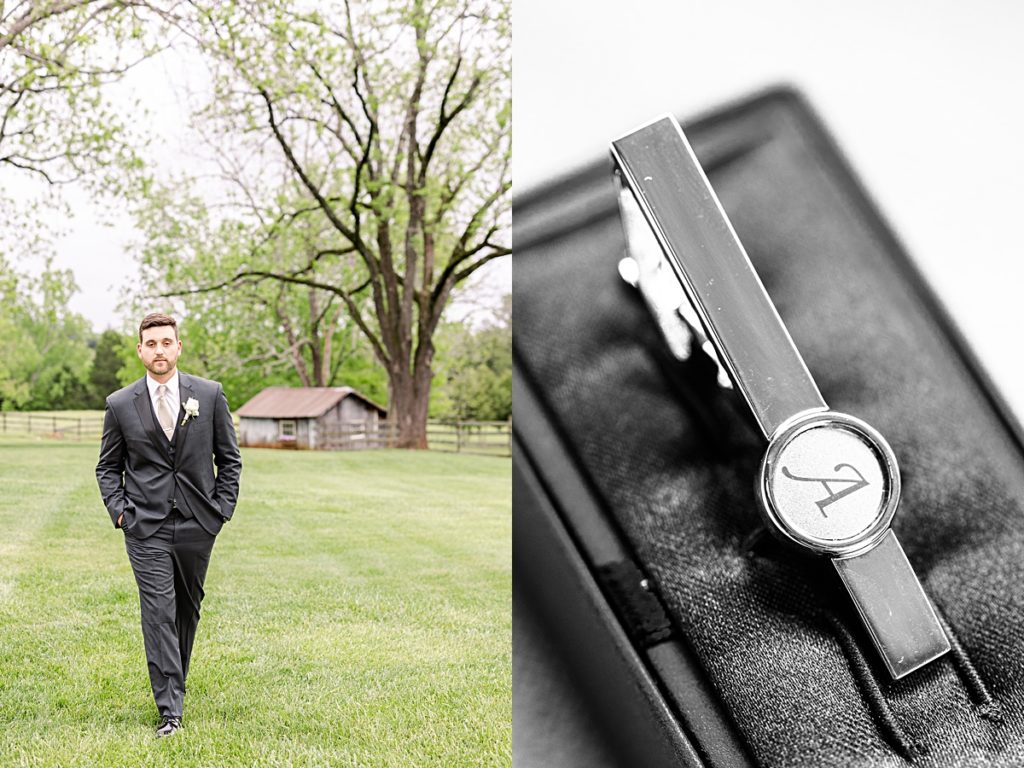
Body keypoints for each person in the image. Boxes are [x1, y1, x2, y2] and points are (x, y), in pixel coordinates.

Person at [95, 312, 242, 737]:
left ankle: (174, 680)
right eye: (151, 343)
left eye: (166, 342)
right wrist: (121, 511)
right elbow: (108, 467)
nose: (159, 350)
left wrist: (221, 510)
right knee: (158, 612)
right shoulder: (120, 404)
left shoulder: (210, 396)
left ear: (178, 347)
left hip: (199, 521)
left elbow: (229, 459)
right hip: (146, 526)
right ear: (140, 350)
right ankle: (170, 710)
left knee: (186, 611)